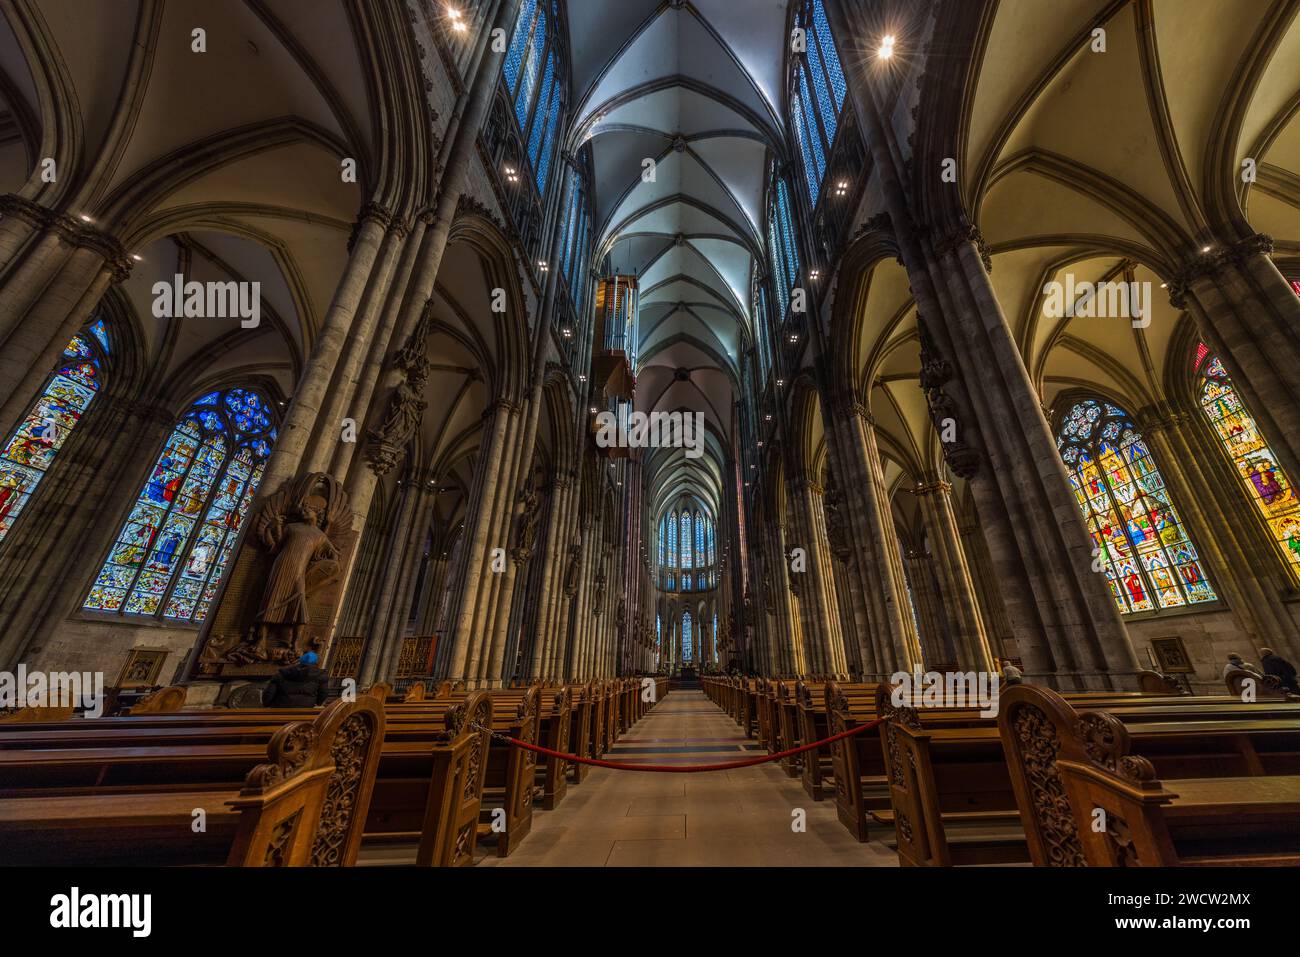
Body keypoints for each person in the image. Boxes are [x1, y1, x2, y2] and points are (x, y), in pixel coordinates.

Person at [262, 651, 329, 707]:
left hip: (281, 709)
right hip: (306, 710)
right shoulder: (321, 675)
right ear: (316, 662)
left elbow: (268, 694)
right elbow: (323, 693)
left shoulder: (282, 674)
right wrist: (317, 703)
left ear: (300, 661)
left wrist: (267, 704)